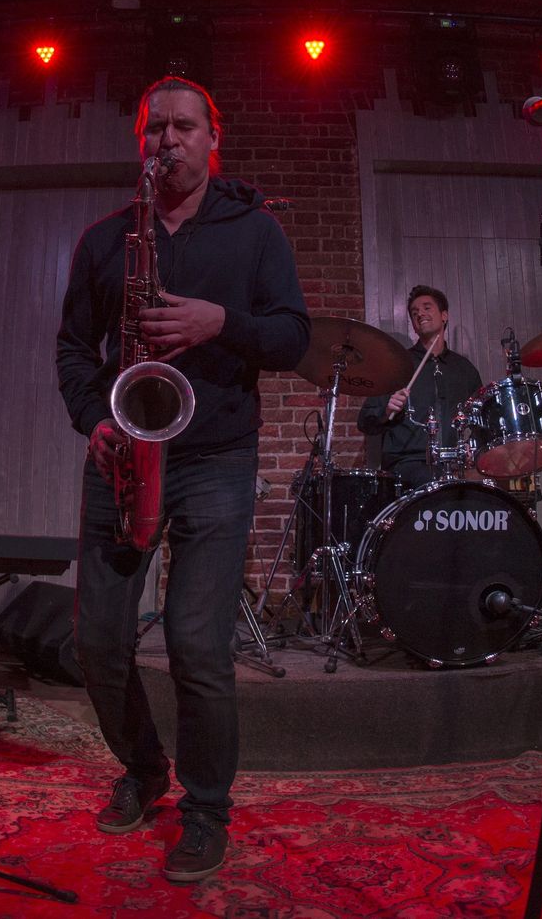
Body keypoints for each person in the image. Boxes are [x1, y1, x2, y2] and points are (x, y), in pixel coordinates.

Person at [56, 76, 310, 883]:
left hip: (216, 458)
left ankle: (205, 809)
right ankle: (143, 767)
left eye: (183, 127)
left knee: (197, 645)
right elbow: (74, 350)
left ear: (212, 137)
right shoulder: (106, 240)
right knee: (97, 641)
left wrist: (220, 322)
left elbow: (294, 337)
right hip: (122, 452)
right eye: (153, 127)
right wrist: (95, 420)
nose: (166, 140)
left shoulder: (256, 229)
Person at [357, 285, 484, 489]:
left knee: (486, 485)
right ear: (414, 327)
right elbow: (365, 421)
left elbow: (482, 420)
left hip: (453, 463)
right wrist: (387, 411)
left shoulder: (464, 370)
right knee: (438, 483)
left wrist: (473, 447)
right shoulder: (398, 366)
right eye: (415, 312)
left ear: (444, 316)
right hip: (408, 463)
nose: (420, 314)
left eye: (427, 308)